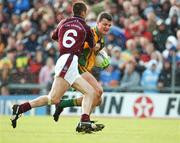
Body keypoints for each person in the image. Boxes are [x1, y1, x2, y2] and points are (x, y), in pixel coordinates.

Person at [11, 1, 98, 133]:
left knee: (86, 93)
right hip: (69, 60)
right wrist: (100, 49)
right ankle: (84, 121)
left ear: (73, 11)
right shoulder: (86, 27)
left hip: (64, 59)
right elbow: (92, 46)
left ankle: (21, 108)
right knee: (57, 98)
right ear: (83, 13)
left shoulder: (63, 22)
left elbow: (54, 36)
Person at [53, 12, 112, 124]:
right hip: (76, 66)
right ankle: (84, 121)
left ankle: (63, 104)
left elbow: (90, 57)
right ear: (98, 23)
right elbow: (79, 45)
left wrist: (102, 62)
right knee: (98, 91)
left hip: (84, 68)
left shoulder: (102, 40)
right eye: (104, 24)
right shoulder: (89, 33)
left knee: (98, 100)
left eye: (109, 25)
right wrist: (93, 46)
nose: (107, 27)